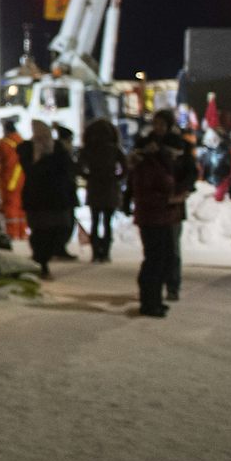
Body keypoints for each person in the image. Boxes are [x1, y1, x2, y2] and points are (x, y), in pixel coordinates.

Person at [146, 110, 198, 300]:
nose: (157, 127)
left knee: (172, 247)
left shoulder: (180, 145)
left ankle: (173, 285)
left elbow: (191, 173)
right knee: (154, 249)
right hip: (153, 203)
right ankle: (155, 286)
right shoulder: (146, 143)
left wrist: (182, 190)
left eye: (161, 123)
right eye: (155, 123)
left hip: (173, 203)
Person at [18, 121, 77, 278]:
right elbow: (30, 170)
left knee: (58, 230)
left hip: (56, 198)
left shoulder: (58, 149)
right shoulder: (27, 149)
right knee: (40, 232)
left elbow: (67, 170)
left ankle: (44, 259)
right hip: (37, 199)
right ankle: (40, 263)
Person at [129, 142, 178, 318]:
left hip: (161, 217)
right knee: (154, 261)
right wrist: (168, 200)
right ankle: (149, 302)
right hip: (152, 219)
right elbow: (144, 196)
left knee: (163, 259)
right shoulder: (148, 167)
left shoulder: (161, 165)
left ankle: (154, 300)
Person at [79, 116, 124, 264]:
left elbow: (79, 167)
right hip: (110, 186)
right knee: (107, 222)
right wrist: (116, 178)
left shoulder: (89, 149)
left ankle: (96, 252)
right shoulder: (114, 149)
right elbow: (124, 168)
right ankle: (105, 252)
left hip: (95, 186)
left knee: (95, 220)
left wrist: (89, 176)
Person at [0, 117, 28, 240]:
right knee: (21, 207)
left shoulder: (4, 143)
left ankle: (12, 233)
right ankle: (22, 232)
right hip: (23, 179)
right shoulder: (22, 141)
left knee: (11, 207)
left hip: (9, 180)